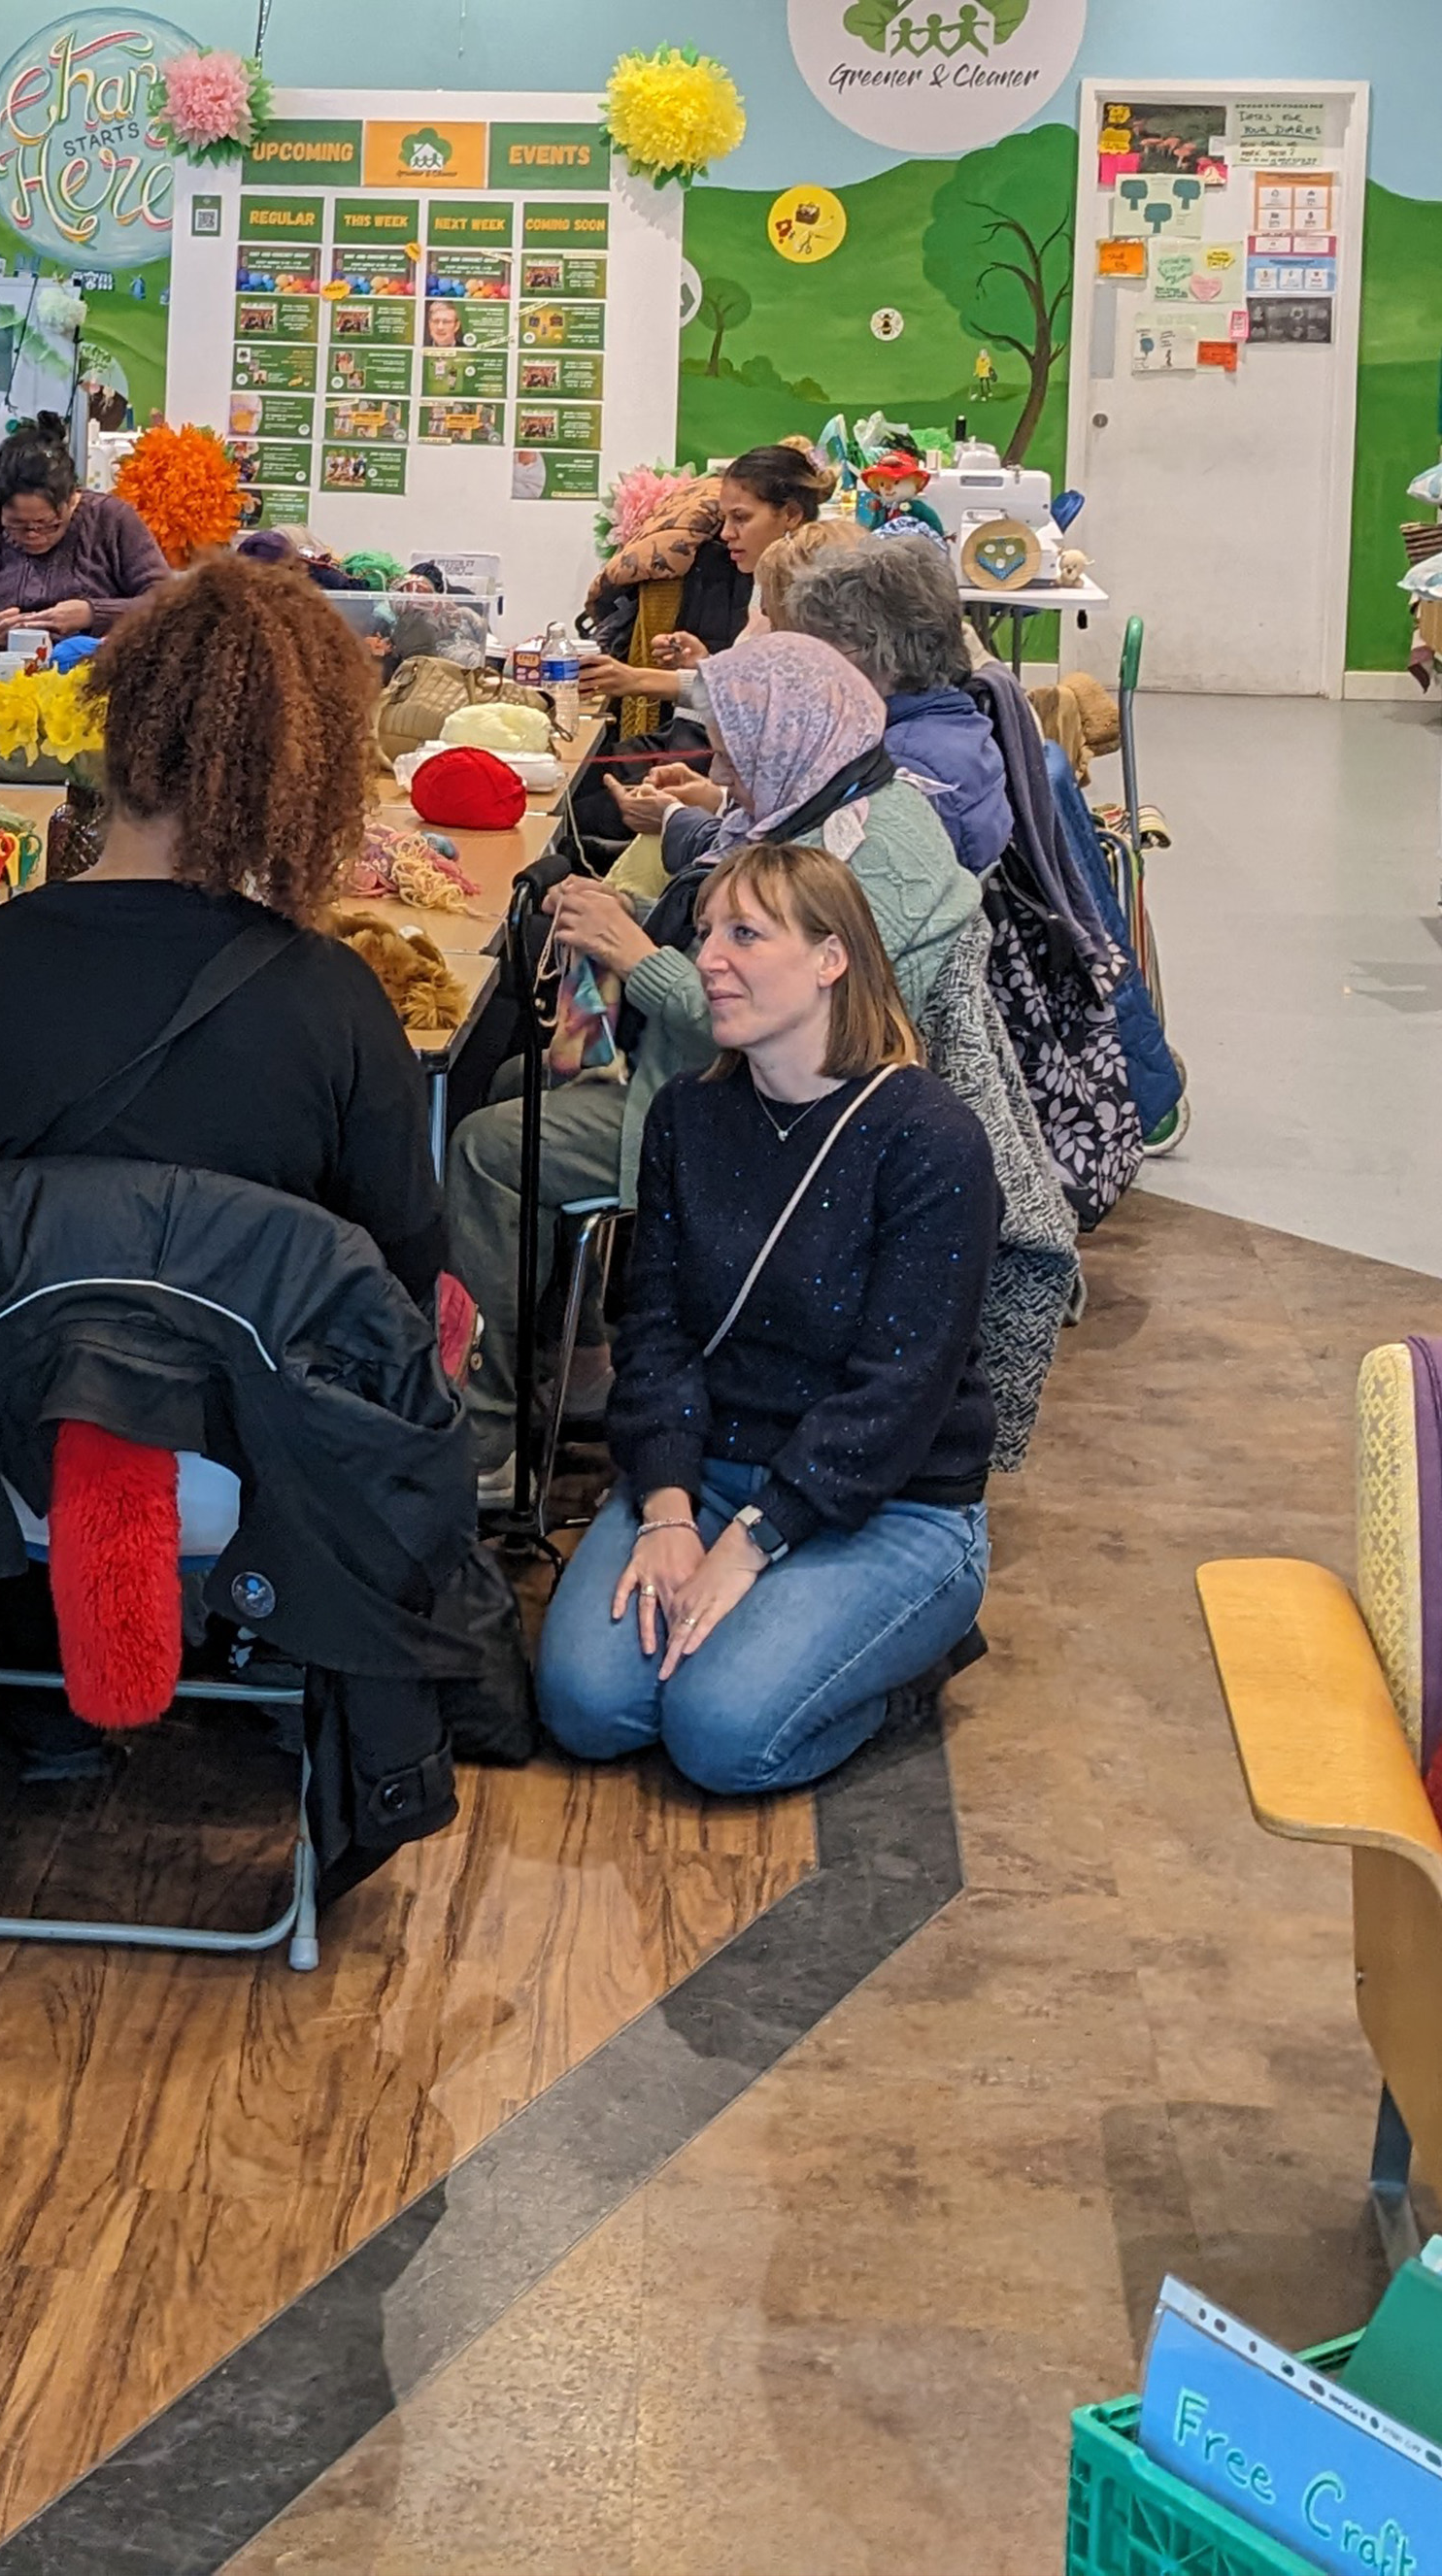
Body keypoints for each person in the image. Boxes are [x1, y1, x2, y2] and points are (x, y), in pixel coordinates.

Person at [0, 551, 450, 1773]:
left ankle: (34, 1685)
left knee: (21, 1329)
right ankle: (262, 1648)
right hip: (255, 1465)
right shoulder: (331, 1000)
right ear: (308, 772)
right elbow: (399, 1280)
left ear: (115, 731)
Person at [448, 631, 1072, 1474]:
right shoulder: (853, 803)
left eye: (740, 751)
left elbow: (769, 1025)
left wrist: (634, 952)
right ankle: (581, 1360)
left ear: (791, 737)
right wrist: (679, 846)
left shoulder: (860, 857)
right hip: (758, 1081)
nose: (731, 772)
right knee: (519, 1079)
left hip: (778, 1119)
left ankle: (484, 1444)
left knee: (490, 1149)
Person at [536, 837, 1005, 1796]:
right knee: (589, 1708)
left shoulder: (927, 1139)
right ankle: (791, 1638)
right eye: (707, 931)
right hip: (711, 1470)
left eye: (745, 934)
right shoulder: (685, 1116)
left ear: (831, 959)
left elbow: (902, 1392)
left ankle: (905, 1661)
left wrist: (753, 1540)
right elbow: (655, 1331)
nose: (708, 957)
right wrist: (667, 1508)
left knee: (722, 1736)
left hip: (888, 1501)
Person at [755, 520, 1011, 870]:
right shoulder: (955, 718)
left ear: (878, 655)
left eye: (821, 649)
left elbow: (823, 893)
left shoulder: (898, 770)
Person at [0, 413, 169, 666]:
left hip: (94, 680)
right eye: (16, 525)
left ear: (72, 499)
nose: (33, 536)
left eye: (49, 524)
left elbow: (169, 604)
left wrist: (93, 613)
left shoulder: (112, 519)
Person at [580, 441, 828, 671]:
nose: (726, 533)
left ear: (792, 514)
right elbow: (738, 692)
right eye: (725, 517)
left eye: (740, 518)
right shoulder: (754, 581)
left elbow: (756, 703)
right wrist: (703, 662)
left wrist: (637, 680)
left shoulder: (816, 604)